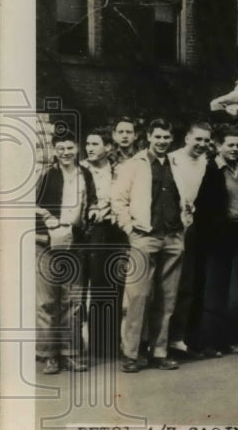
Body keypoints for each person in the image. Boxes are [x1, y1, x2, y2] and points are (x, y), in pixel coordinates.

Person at [111, 119, 186, 372]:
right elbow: (118, 201)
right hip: (144, 236)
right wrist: (130, 229)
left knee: (167, 299)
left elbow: (185, 197)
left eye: (166, 137)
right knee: (138, 297)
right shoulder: (133, 165)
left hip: (173, 237)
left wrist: (186, 218)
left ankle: (159, 352)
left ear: (171, 139)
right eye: (158, 137)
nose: (162, 142)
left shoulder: (177, 164)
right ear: (149, 138)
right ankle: (131, 354)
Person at [191, 126, 238, 358]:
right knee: (214, 290)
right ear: (219, 146)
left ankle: (233, 337)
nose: (234, 149)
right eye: (230, 145)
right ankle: (211, 341)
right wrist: (213, 234)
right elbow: (203, 209)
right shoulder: (211, 170)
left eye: (237, 145)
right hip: (218, 236)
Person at [36, 130, 96, 374]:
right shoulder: (47, 175)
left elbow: (90, 201)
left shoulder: (85, 174)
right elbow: (32, 205)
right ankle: (49, 355)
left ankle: (70, 354)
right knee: (48, 302)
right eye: (61, 149)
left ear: (77, 149)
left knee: (72, 301)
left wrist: (92, 211)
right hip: (46, 243)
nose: (66, 153)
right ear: (55, 150)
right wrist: (47, 218)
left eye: (70, 148)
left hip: (74, 242)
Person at [80, 126, 125, 365]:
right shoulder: (79, 170)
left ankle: (109, 343)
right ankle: (83, 345)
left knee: (111, 284)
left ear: (108, 147)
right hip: (88, 232)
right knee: (89, 285)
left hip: (114, 232)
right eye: (88, 143)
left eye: (95, 144)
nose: (89, 148)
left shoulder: (117, 171)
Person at [166, 122, 211, 358]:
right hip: (173, 227)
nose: (202, 145)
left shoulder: (206, 162)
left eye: (206, 141)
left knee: (191, 284)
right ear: (187, 138)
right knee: (172, 285)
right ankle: (166, 339)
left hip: (196, 229)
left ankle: (184, 338)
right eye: (198, 140)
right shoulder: (172, 159)